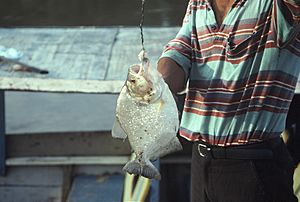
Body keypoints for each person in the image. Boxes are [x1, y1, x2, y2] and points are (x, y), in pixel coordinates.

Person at [157, 0, 300, 201]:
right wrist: (156, 84)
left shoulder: (277, 5)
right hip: (201, 160)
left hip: (255, 163)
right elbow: (181, 49)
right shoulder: (198, 3)